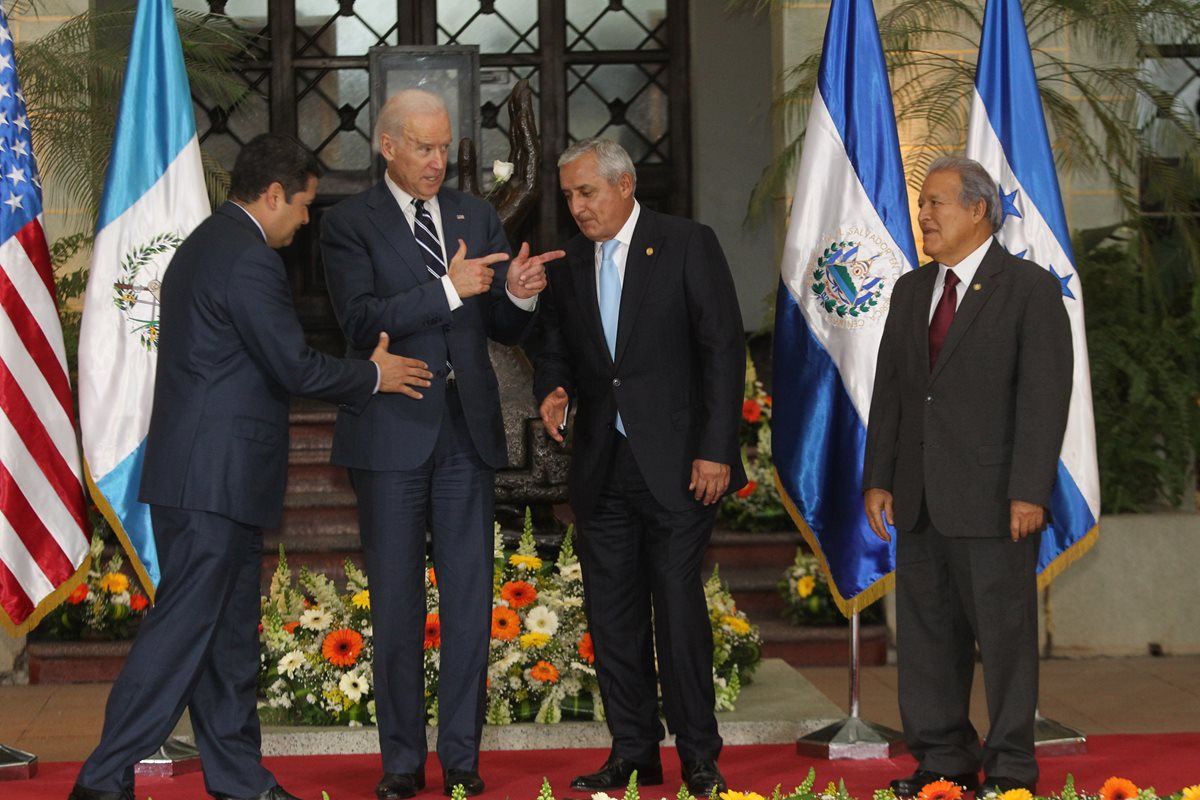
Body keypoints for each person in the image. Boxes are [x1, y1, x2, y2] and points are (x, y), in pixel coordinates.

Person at [69, 133, 431, 800]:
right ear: (272, 195)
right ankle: (100, 779)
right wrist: (373, 375)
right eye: (302, 206)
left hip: (215, 480)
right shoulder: (246, 259)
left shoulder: (212, 244)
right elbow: (292, 364)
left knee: (225, 642)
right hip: (212, 480)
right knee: (180, 638)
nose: (304, 220)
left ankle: (239, 781)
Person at [319, 89, 563, 800]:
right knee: (396, 605)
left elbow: (502, 330)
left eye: (444, 147)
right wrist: (449, 290)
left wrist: (517, 295)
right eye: (421, 147)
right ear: (387, 146)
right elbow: (360, 324)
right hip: (391, 435)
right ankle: (401, 762)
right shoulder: (347, 225)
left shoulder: (473, 212)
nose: (436, 161)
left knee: (468, 604)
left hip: (466, 435)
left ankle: (461, 756)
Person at [533, 138, 746, 797]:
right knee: (613, 615)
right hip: (602, 465)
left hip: (681, 465)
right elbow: (555, 347)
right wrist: (555, 388)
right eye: (568, 195)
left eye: (586, 192)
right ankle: (634, 750)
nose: (576, 206)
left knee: (678, 610)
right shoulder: (567, 262)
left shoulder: (686, 242)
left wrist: (716, 449)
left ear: (624, 187)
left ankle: (699, 756)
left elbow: (722, 350)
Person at [862, 156, 1073, 796]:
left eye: (935, 203)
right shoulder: (909, 289)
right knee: (927, 639)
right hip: (921, 498)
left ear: (978, 210)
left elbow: (1044, 397)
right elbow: (893, 393)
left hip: (995, 500)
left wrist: (1030, 490)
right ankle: (944, 759)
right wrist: (880, 478)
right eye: (923, 204)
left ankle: (1010, 768)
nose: (923, 215)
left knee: (1004, 641)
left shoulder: (1029, 288)